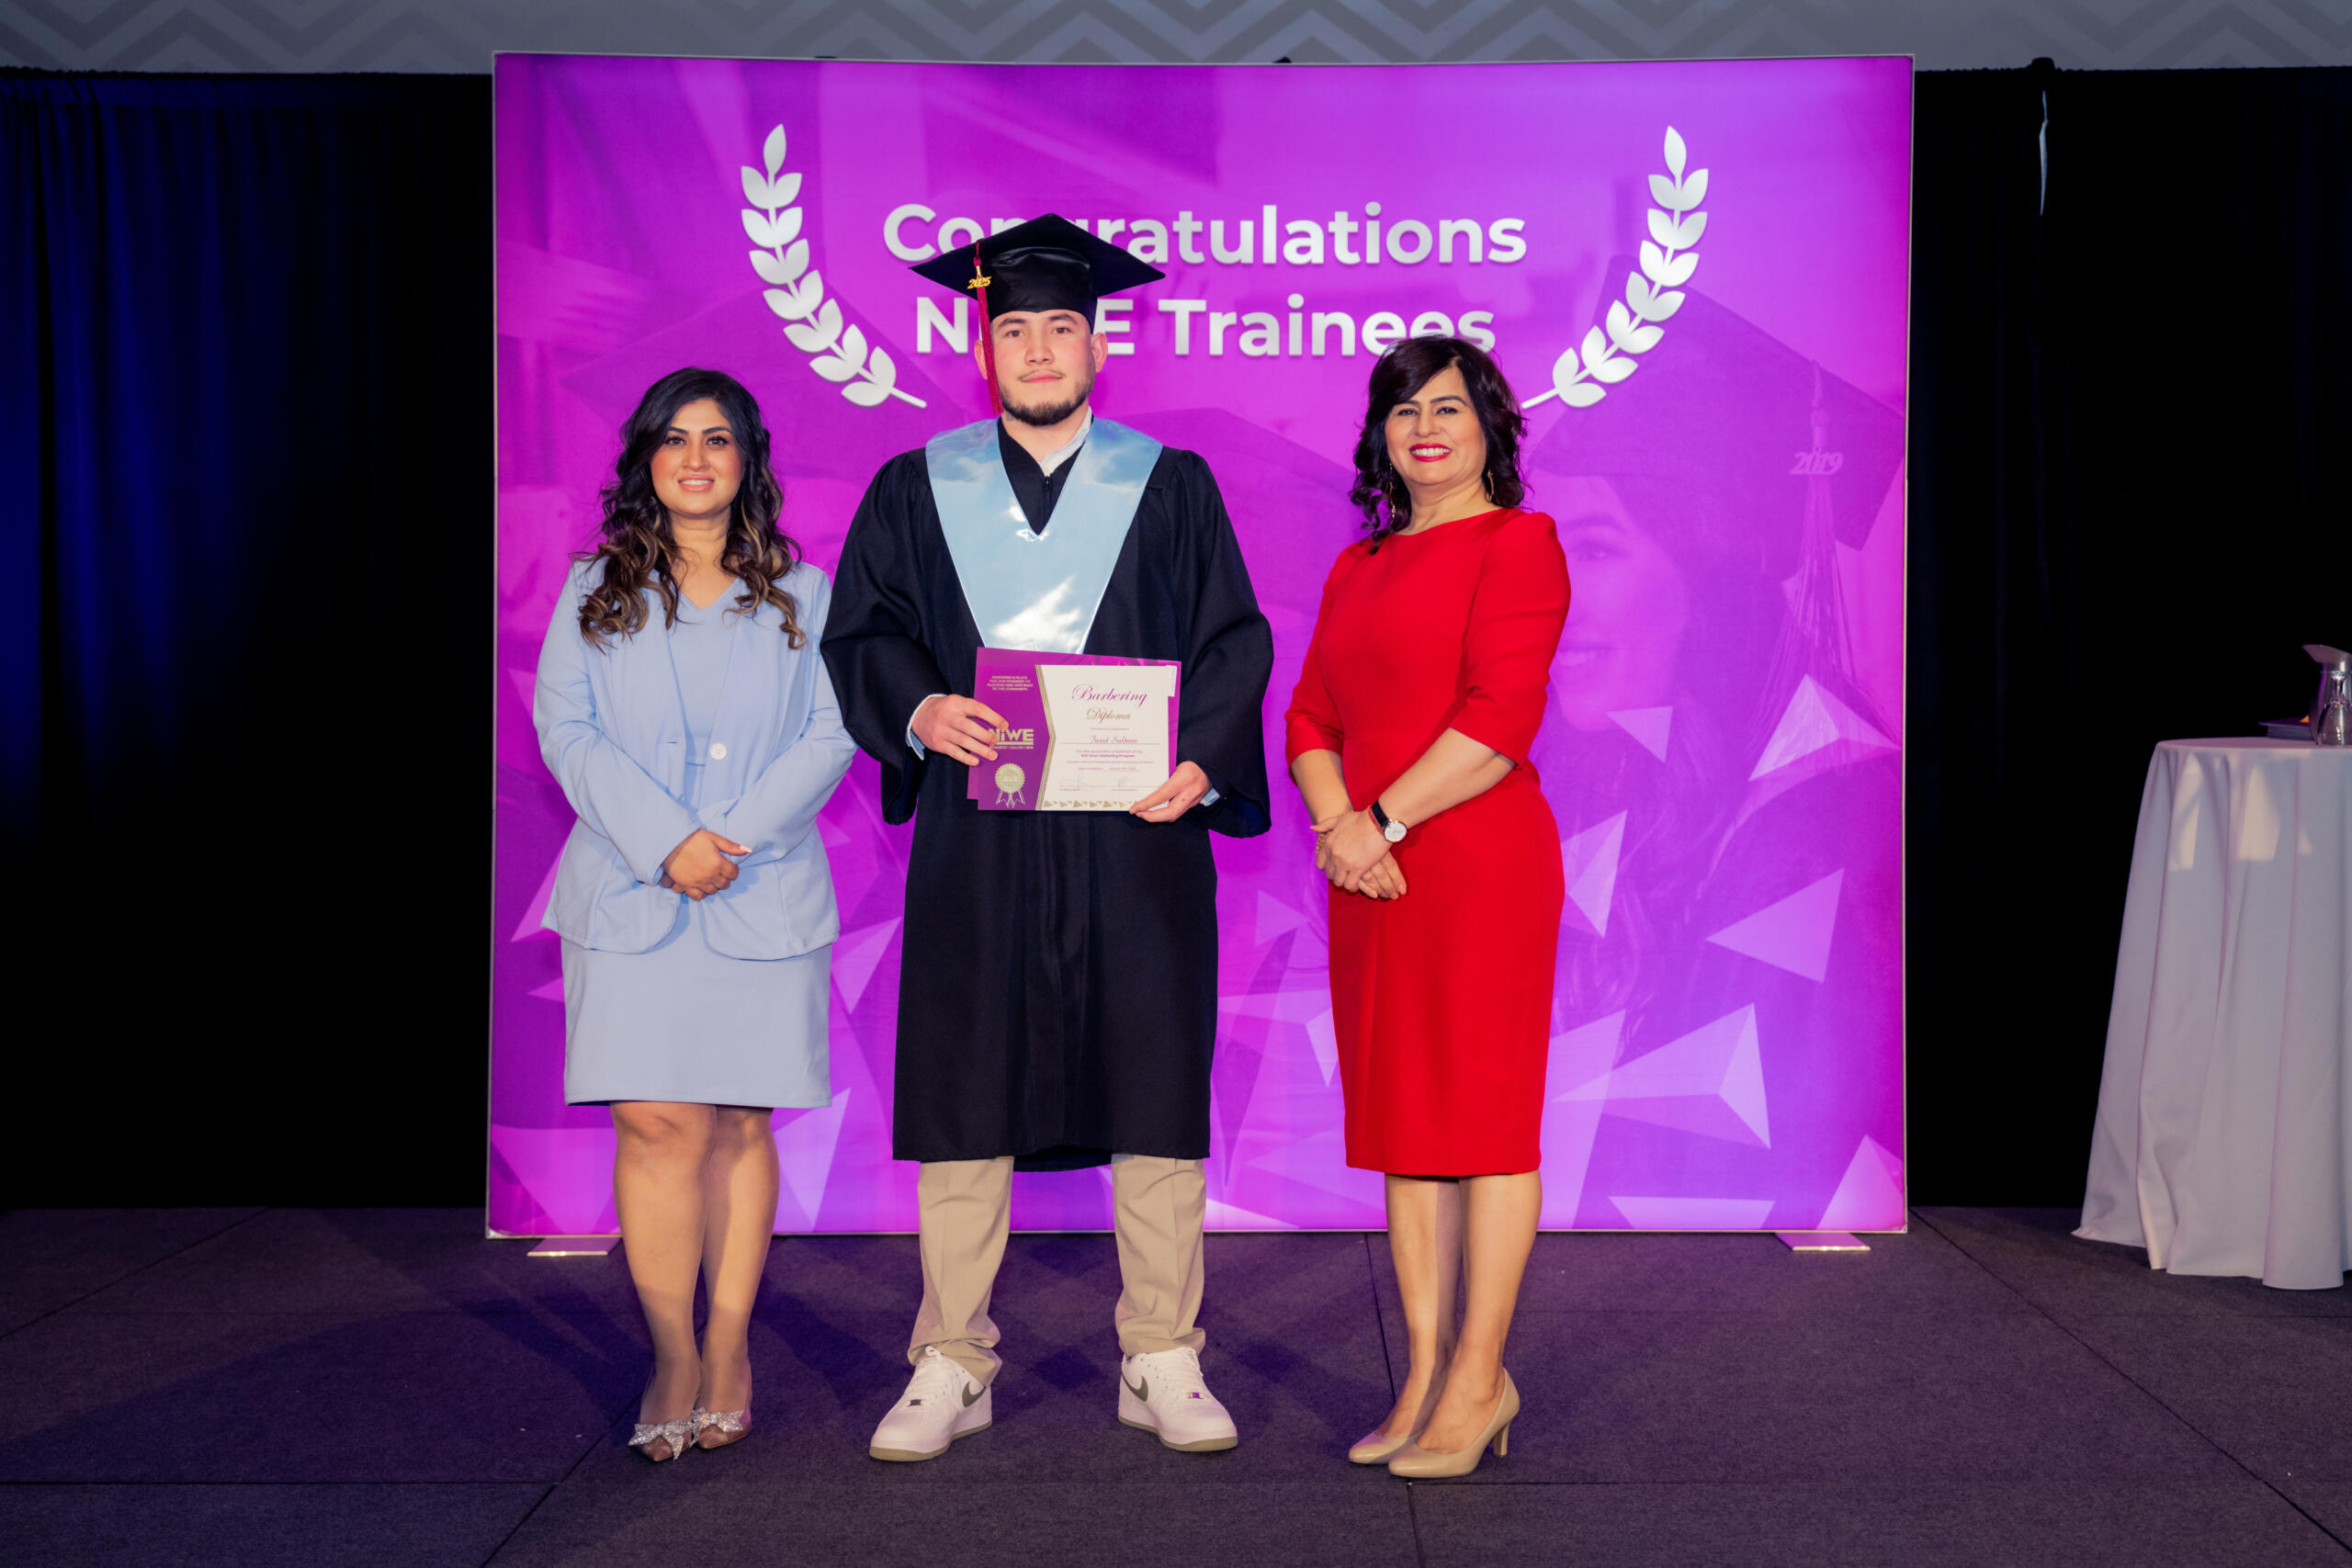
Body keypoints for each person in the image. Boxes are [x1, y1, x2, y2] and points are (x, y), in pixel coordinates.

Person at [820, 216, 1273, 1462]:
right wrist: (919, 707)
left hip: (1136, 833)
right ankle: (950, 1357)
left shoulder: (1171, 483)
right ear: (984, 348)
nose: (1036, 348)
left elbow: (1232, 639)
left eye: (1060, 327)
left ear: (1097, 344)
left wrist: (1201, 761)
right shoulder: (915, 487)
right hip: (979, 834)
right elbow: (864, 632)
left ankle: (1162, 1348)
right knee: (965, 1075)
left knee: (1155, 1076)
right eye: (1013, 328)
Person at [1527, 265, 1905, 1229]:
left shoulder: (1818, 819)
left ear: (1707, 578)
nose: (1550, 594)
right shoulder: (1633, 777)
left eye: (1595, 548)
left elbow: (1754, 1162)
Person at [533, 367, 856, 1461]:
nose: (695, 457)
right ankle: (672, 1352)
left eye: (717, 438)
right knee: (656, 1124)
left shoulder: (806, 594)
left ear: (747, 459)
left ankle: (728, 1345)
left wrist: (729, 839)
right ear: (646, 460)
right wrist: (666, 840)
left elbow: (832, 731)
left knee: (738, 1125)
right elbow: (566, 732)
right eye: (674, 438)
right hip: (629, 893)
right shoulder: (594, 589)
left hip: (762, 894)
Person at [1284, 336, 1570, 1479]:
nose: (1424, 429)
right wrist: (1340, 830)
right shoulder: (1356, 564)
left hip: (1475, 866)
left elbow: (1501, 718)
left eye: (1447, 408)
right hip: (1370, 874)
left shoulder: (1519, 543)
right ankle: (1422, 1376)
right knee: (1409, 1127)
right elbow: (1309, 717)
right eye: (1403, 411)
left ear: (1490, 426)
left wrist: (1378, 823)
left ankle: (1480, 1380)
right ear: (1379, 436)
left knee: (1484, 1126)